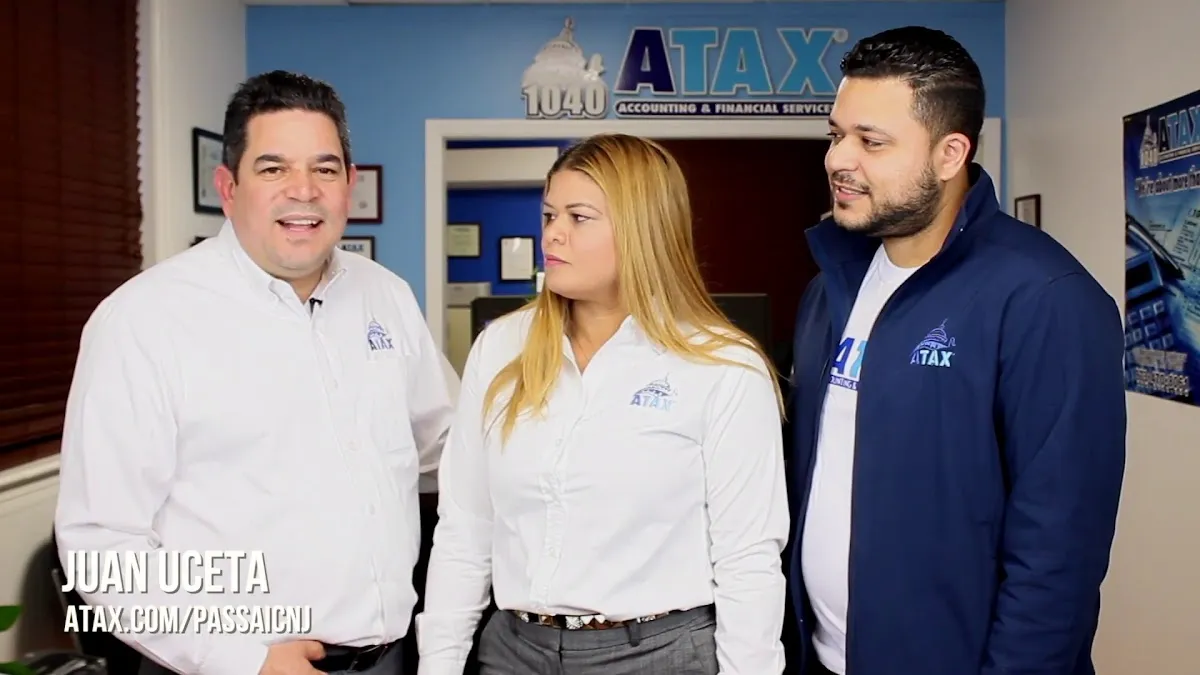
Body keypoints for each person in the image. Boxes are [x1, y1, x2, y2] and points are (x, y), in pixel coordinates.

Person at [54, 70, 456, 675]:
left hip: (388, 658)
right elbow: (101, 543)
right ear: (228, 187)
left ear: (349, 184)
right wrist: (241, 659)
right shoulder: (143, 320)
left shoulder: (387, 296)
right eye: (273, 169)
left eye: (324, 169)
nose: (304, 191)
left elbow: (446, 447)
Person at [787, 26, 1127, 675]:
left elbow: (1058, 554)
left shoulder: (1044, 298)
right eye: (836, 135)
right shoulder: (831, 288)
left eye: (871, 141)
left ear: (950, 154)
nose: (838, 160)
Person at [414, 133, 790, 675]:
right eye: (549, 215)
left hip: (658, 656)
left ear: (641, 229)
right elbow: (465, 528)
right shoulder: (501, 347)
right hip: (515, 652)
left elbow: (748, 558)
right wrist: (439, 664)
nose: (552, 233)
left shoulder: (723, 366)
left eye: (579, 217)